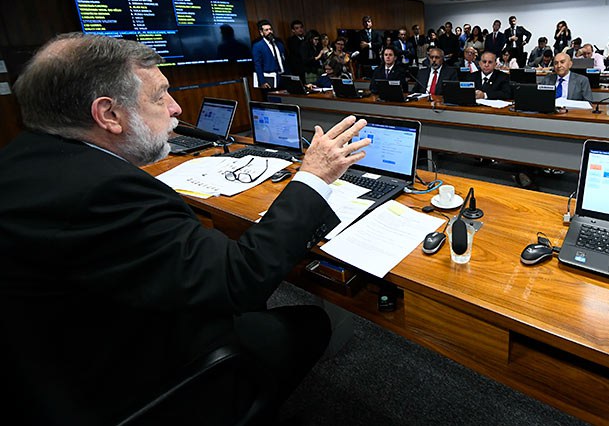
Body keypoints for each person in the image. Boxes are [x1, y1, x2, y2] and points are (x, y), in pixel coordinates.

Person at [0, 33, 371, 425]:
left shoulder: (22, 160)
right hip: (124, 377)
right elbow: (238, 281)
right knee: (310, 322)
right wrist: (312, 177)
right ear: (108, 115)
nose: (176, 108)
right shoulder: (103, 191)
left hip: (58, 353)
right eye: (160, 96)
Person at [251, 18, 288, 88]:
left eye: (270, 29)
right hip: (269, 77)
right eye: (266, 30)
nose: (269, 31)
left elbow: (285, 60)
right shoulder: (258, 46)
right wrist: (262, 81)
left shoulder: (279, 44)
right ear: (261, 32)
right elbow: (257, 65)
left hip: (283, 76)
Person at [286, 19, 311, 83]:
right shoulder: (291, 40)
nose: (300, 29)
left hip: (308, 68)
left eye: (301, 27)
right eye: (297, 28)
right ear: (293, 30)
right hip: (298, 69)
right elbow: (298, 52)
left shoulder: (306, 39)